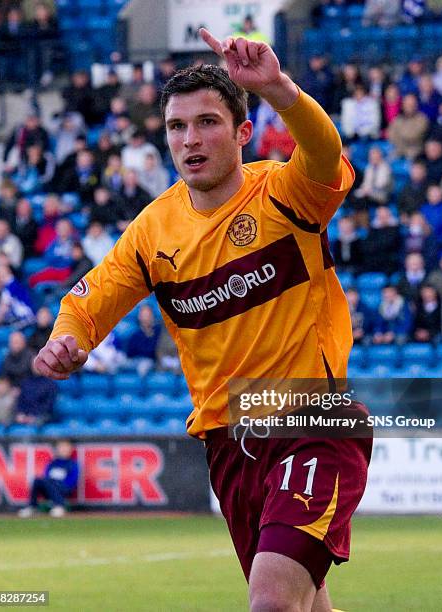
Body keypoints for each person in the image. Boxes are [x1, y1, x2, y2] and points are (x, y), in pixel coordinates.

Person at [34, 30, 371, 611]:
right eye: (176, 127)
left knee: (271, 601)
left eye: (208, 122)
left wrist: (277, 88)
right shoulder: (152, 231)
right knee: (308, 604)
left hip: (312, 420)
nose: (190, 139)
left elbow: (323, 152)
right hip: (229, 441)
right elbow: (89, 300)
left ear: (243, 132)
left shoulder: (283, 195)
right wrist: (67, 338)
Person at [18, 439, 79, 518]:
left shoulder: (72, 464)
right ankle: (32, 506)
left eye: (66, 447)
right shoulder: (52, 463)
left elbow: (72, 481)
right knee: (37, 480)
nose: (64, 450)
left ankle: (59, 506)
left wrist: (57, 483)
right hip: (50, 487)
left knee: (50, 481)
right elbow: (46, 476)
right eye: (61, 447)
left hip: (64, 488)